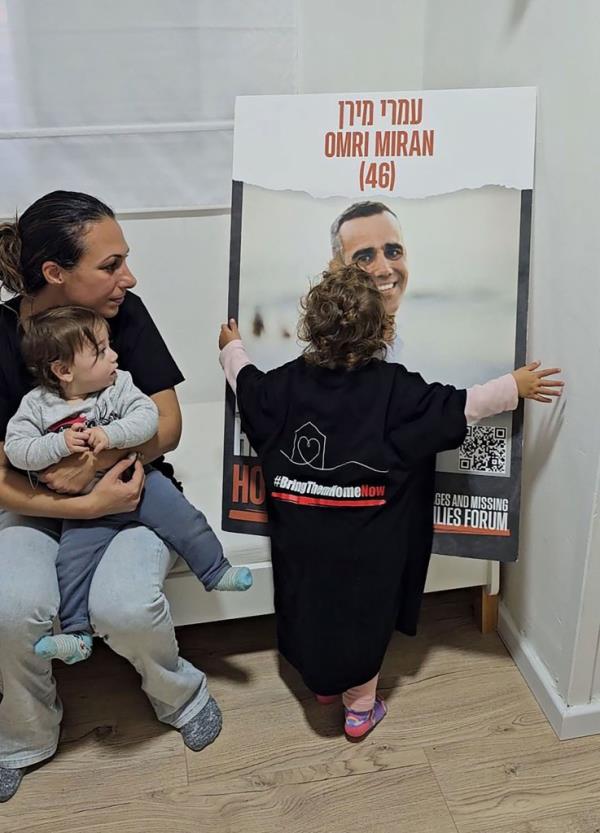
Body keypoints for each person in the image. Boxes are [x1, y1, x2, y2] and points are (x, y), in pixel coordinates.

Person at [218, 265, 563, 741]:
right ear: (384, 330)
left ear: (311, 327)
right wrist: (516, 386)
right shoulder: (396, 390)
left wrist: (231, 346)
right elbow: (463, 405)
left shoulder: (282, 388)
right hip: (371, 550)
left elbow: (246, 383)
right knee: (364, 618)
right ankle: (358, 710)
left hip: (303, 545)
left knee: (307, 609)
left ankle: (321, 687)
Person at [0, 191, 220, 803]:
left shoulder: (127, 314)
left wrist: (96, 470)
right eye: (110, 264)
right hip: (37, 509)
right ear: (54, 274)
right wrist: (78, 506)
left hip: (133, 494)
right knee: (12, 607)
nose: (128, 277)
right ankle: (24, 734)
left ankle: (183, 693)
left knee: (124, 606)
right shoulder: (1, 336)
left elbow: (166, 426)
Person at [4, 305, 253, 666]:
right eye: (101, 352)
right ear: (63, 370)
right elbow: (17, 450)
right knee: (70, 563)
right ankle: (75, 634)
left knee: (184, 518)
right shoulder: (37, 406)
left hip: (139, 480)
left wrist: (109, 434)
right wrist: (57, 445)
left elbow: (148, 419)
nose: (114, 356)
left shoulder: (120, 384)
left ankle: (215, 569)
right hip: (87, 505)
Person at [330, 200, 407, 361]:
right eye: (365, 257)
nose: (385, 270)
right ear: (336, 269)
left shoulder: (402, 347)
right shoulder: (334, 360)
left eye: (393, 252)